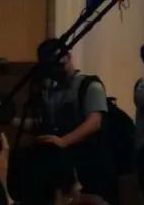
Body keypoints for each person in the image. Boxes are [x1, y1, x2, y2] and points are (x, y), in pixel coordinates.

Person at [36, 39, 117, 203]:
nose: (56, 69)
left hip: (90, 163)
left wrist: (63, 141)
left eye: (59, 63)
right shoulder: (49, 91)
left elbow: (94, 122)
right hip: (62, 164)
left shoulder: (89, 85)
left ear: (68, 56)